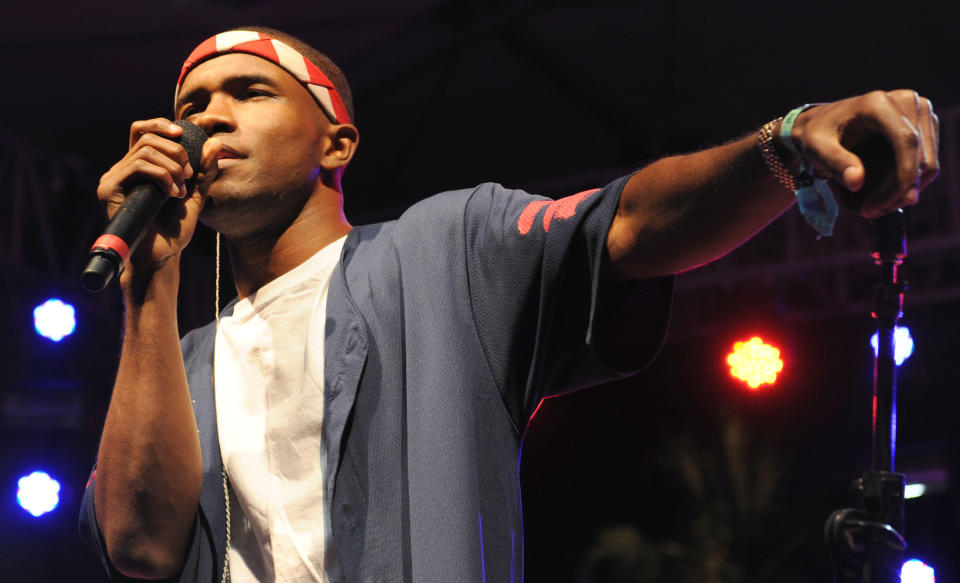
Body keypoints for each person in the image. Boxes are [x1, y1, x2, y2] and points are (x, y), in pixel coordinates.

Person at [79, 26, 939, 582]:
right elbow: (139, 546)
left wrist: (783, 142)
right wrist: (151, 285)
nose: (205, 120)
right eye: (191, 104)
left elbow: (630, 218)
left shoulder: (445, 247)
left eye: (248, 93)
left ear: (335, 139)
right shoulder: (174, 360)